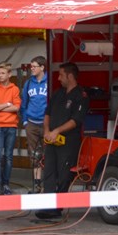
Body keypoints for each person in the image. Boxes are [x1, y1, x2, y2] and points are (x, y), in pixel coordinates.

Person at [36, 62, 89, 221]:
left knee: (64, 175)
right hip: (51, 140)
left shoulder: (81, 96)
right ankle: (48, 206)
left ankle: (57, 207)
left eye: (61, 75)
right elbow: (47, 114)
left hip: (68, 142)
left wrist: (57, 131)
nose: (58, 78)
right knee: (49, 173)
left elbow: (76, 120)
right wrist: (46, 131)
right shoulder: (58, 94)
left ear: (70, 76)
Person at [0, 62, 21, 196]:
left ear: (9, 74)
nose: (0, 76)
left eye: (3, 73)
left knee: (8, 156)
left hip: (11, 126)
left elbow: (16, 107)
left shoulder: (15, 89)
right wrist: (7, 104)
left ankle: (5, 184)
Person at [20, 56, 49, 193]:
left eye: (34, 66)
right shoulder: (28, 83)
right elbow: (23, 104)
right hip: (31, 123)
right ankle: (37, 185)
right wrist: (25, 121)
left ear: (42, 67)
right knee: (34, 155)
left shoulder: (49, 82)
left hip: (45, 124)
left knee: (47, 154)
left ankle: (47, 184)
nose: (31, 68)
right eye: (31, 66)